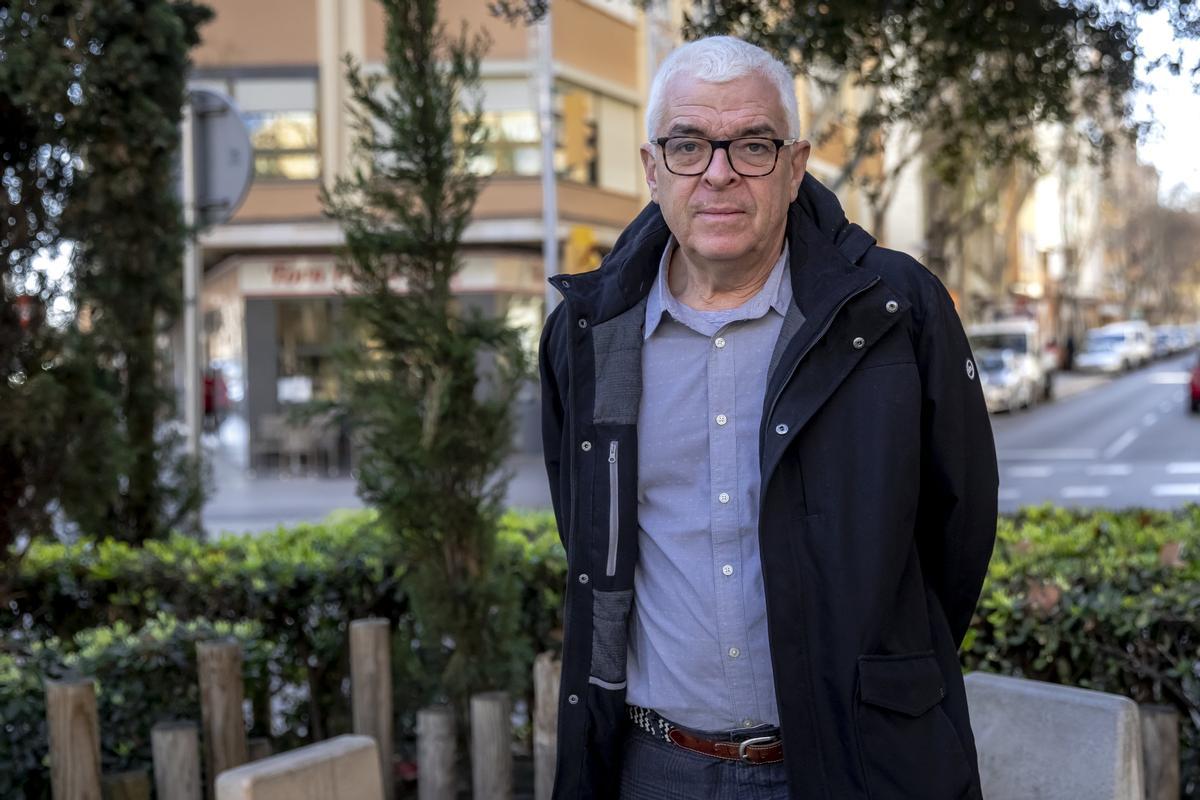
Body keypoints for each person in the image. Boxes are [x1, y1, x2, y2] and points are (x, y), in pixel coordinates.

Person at [539, 36, 998, 800]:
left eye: (752, 144)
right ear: (652, 169)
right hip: (657, 769)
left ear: (794, 166)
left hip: (857, 761)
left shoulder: (893, 309)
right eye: (688, 145)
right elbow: (586, 530)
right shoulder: (589, 334)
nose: (718, 174)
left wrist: (878, 673)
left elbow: (959, 531)